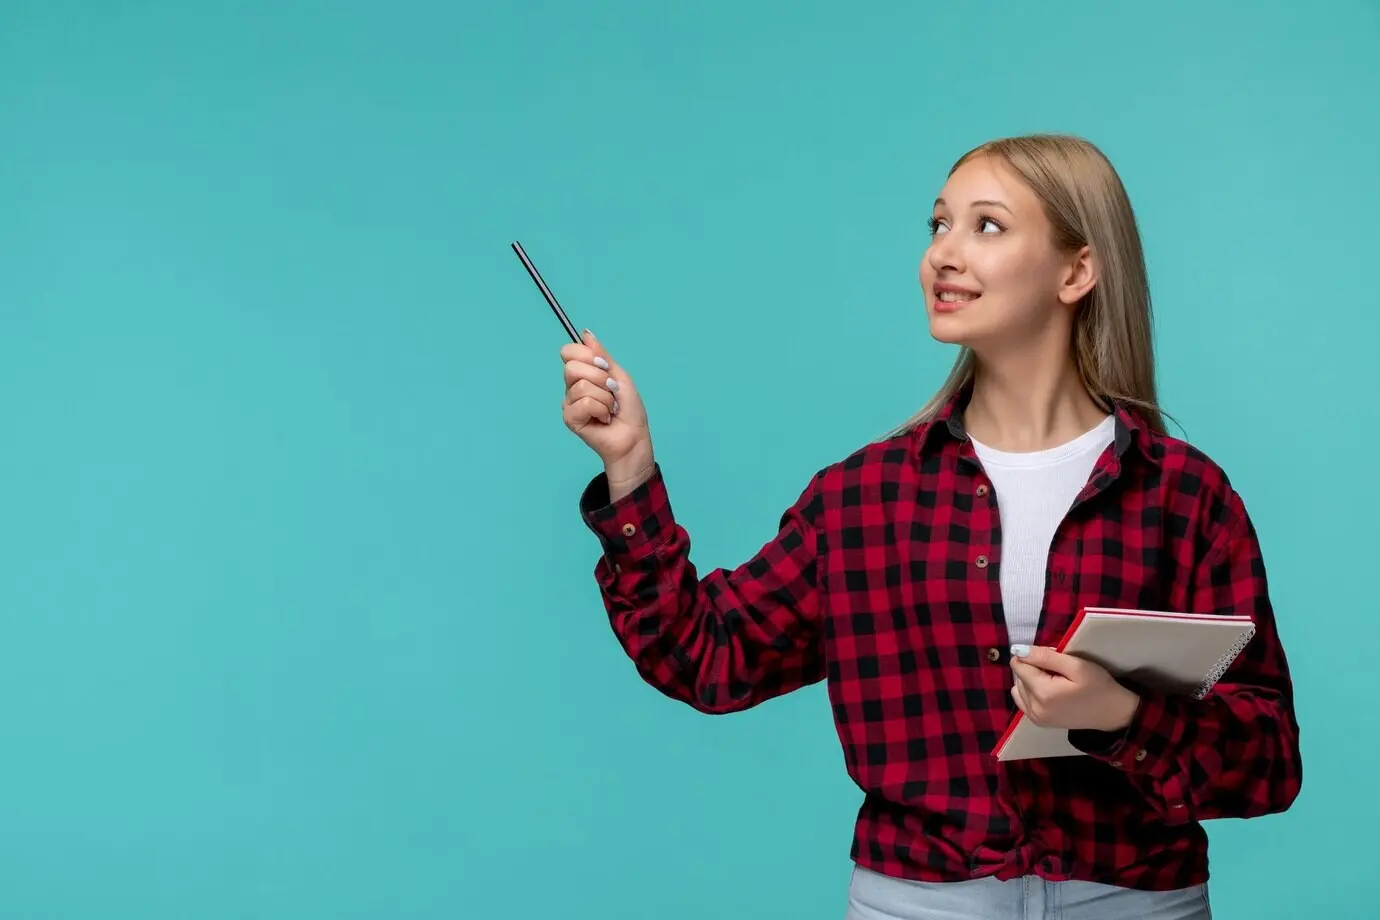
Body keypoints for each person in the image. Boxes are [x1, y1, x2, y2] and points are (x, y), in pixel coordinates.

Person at [557, 133, 1301, 920]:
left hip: (1136, 901)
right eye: (939, 224)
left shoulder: (1185, 495)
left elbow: (1268, 762)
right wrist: (629, 465)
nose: (943, 254)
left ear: (1076, 271)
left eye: (987, 226)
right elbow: (707, 655)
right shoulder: (862, 496)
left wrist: (1121, 717)